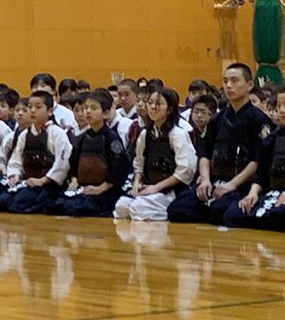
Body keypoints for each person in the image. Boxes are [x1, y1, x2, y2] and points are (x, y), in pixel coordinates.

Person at [167, 63, 271, 225]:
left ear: (249, 85)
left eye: (234, 81)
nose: (228, 85)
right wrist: (206, 179)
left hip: (240, 184)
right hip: (215, 181)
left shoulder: (259, 120)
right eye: (225, 81)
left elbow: (257, 161)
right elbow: (204, 153)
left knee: (222, 211)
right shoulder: (217, 119)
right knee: (177, 210)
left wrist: (232, 184)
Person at [114, 87, 197, 221]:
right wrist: (136, 183)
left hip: (171, 190)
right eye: (150, 102)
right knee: (121, 207)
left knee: (138, 209)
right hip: (149, 187)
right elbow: (139, 163)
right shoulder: (145, 134)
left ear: (169, 109)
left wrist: (157, 187)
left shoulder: (178, 134)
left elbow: (185, 171)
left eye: (158, 104)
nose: (152, 107)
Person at [0, 91, 72, 214]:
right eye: (30, 106)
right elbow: (16, 159)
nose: (32, 110)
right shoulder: (25, 135)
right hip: (28, 182)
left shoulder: (57, 133)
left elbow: (63, 163)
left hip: (48, 185)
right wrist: (15, 175)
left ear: (50, 111)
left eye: (38, 107)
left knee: (16, 205)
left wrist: (43, 180)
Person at [46, 91, 130, 217]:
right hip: (83, 188)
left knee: (78, 207)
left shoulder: (112, 139)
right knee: (54, 205)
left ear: (106, 113)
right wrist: (74, 180)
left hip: (106, 191)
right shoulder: (82, 138)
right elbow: (73, 164)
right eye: (86, 108)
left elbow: (119, 168)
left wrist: (101, 188)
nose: (88, 111)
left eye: (93, 108)